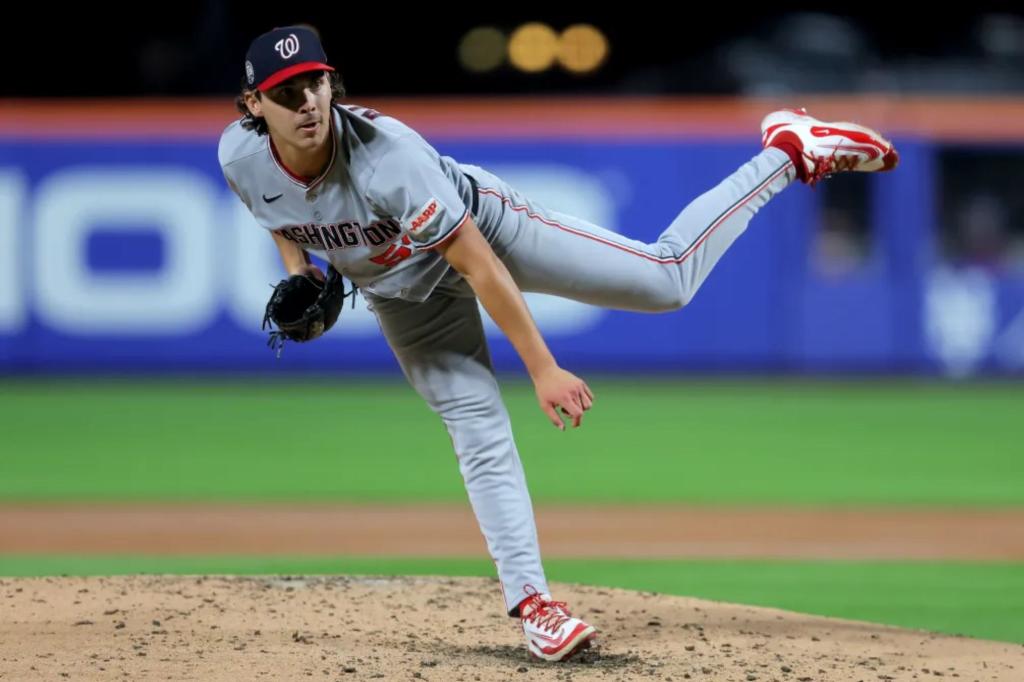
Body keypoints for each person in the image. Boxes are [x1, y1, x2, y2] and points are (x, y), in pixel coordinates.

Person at [219, 25, 898, 662]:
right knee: (475, 425)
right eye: (286, 92)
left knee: (665, 280)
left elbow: (478, 265)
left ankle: (787, 152)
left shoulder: (387, 156)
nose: (308, 103)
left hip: (486, 232)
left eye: (316, 83)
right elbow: (280, 210)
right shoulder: (240, 157)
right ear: (254, 106)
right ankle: (536, 607)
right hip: (402, 294)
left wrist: (541, 368)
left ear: (332, 82)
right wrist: (302, 273)